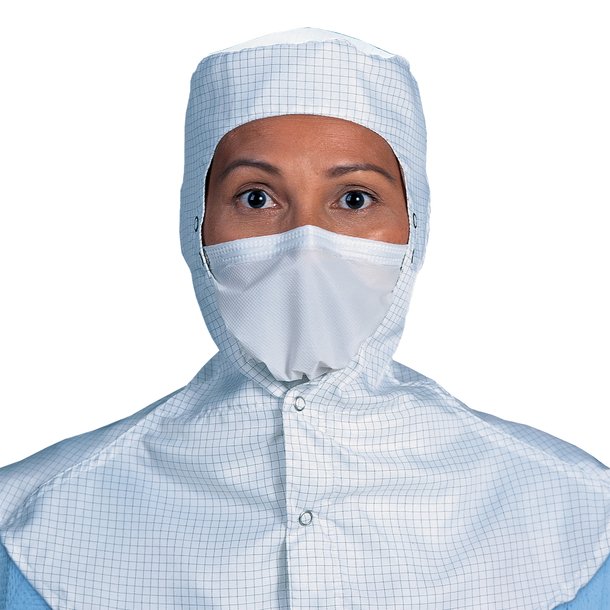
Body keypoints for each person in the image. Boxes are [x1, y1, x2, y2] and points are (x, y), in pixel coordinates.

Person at [1, 27, 608, 610]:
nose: (305, 244)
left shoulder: (574, 517)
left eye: (354, 199)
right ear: (196, 224)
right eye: (256, 198)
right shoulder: (32, 524)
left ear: (414, 227)